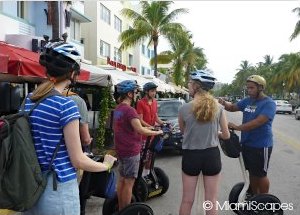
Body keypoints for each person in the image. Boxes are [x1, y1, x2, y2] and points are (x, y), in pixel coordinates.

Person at [23, 41, 116, 215]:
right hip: (58, 190)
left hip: (30, 186)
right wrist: (105, 165)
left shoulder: (29, 100)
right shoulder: (65, 105)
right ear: (72, 73)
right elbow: (78, 160)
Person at [178, 70, 230, 215]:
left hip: (191, 156)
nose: (188, 85)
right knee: (211, 200)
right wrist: (215, 133)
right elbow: (226, 135)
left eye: (189, 83)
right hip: (211, 155)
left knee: (187, 200)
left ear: (196, 86)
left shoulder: (183, 108)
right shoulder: (219, 108)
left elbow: (184, 132)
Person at [218, 75, 276, 195]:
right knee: (251, 172)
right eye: (248, 88)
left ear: (260, 87)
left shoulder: (269, 103)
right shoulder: (247, 101)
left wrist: (237, 127)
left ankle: (264, 200)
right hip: (246, 143)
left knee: (261, 174)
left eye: (252, 88)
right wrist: (223, 103)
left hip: (261, 145)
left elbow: (258, 122)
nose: (249, 90)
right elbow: (233, 107)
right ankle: (254, 197)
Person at [113, 80, 163, 211]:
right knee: (129, 182)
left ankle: (120, 207)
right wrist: (157, 131)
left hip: (121, 149)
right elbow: (140, 129)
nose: (137, 94)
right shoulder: (130, 111)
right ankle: (125, 210)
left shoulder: (118, 109)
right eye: (135, 92)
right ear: (129, 94)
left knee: (122, 180)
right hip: (130, 150)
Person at [136, 82, 164, 176]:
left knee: (151, 157)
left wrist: (163, 123)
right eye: (152, 91)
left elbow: (156, 117)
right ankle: (140, 177)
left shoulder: (155, 102)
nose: (154, 93)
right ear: (146, 91)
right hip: (144, 135)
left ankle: (147, 175)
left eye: (155, 91)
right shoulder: (140, 103)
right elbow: (140, 120)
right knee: (143, 157)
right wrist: (150, 127)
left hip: (152, 135)